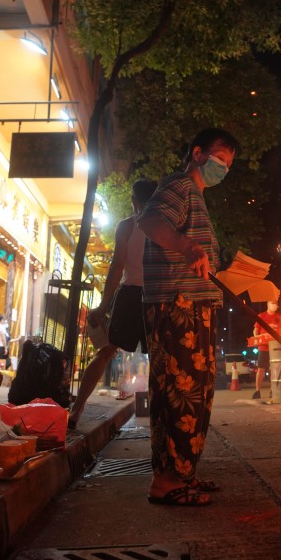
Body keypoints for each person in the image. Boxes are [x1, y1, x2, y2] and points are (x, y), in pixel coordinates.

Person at [137, 127, 240, 507]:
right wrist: (185, 244)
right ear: (197, 153)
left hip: (193, 305)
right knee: (182, 392)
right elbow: (149, 220)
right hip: (179, 306)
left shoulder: (195, 197)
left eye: (228, 165)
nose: (223, 169)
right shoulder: (179, 186)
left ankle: (180, 473)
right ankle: (168, 482)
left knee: (188, 393)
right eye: (219, 159)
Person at [69, 179, 158, 428]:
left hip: (129, 295)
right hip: (155, 297)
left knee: (106, 352)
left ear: (133, 201)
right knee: (161, 359)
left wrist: (103, 304)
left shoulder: (126, 226)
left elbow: (117, 266)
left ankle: (76, 411)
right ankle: (163, 414)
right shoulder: (166, 227)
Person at [251, 300, 281, 401]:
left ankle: (273, 390)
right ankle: (257, 391)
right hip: (264, 347)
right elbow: (255, 330)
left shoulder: (279, 317)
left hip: (276, 347)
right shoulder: (261, 316)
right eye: (272, 303)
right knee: (261, 368)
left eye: (276, 304)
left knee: (274, 369)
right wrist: (257, 339)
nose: (275, 305)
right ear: (268, 304)